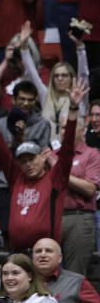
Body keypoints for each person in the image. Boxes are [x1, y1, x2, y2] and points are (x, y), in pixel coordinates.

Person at [0, 79, 85, 251]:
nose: (28, 164)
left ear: (43, 157)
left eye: (32, 159)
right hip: (18, 255)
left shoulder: (55, 179)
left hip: (46, 254)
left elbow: (67, 147)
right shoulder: (17, 178)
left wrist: (74, 108)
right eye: (23, 161)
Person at [55, 117, 100, 274]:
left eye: (70, 127)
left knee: (75, 275)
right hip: (53, 218)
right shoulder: (52, 155)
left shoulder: (91, 154)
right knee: (46, 273)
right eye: (62, 127)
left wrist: (58, 169)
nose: (65, 131)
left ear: (82, 131)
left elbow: (89, 189)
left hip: (79, 217)